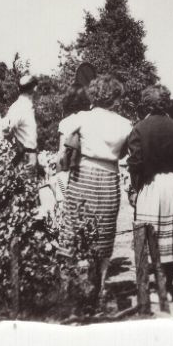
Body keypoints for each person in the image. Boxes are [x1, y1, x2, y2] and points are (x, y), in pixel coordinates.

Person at [58, 76, 133, 313]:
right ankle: (98, 289)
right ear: (116, 98)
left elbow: (63, 136)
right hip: (109, 177)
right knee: (103, 234)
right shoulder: (125, 124)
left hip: (84, 174)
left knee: (73, 229)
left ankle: (68, 289)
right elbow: (124, 153)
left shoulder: (82, 118)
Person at [125, 88, 173, 308]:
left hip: (152, 184)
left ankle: (153, 287)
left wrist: (134, 189)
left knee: (149, 237)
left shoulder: (139, 129)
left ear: (145, 105)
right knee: (170, 238)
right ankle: (168, 287)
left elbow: (135, 164)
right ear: (168, 104)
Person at [4, 74, 40, 171]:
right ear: (34, 89)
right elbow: (5, 129)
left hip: (29, 156)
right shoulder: (20, 107)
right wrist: (18, 146)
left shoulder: (25, 106)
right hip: (24, 158)